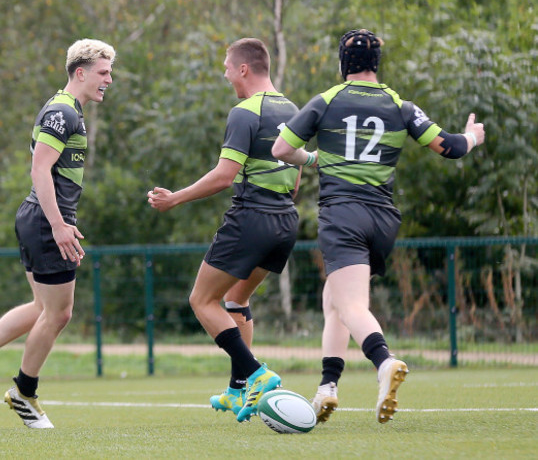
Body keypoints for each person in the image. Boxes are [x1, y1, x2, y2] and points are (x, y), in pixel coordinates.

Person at [272, 28, 485, 424]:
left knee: (351, 304)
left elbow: (281, 149)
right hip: (384, 219)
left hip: (343, 214)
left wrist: (316, 159)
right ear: (376, 64)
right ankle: (327, 387)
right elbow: (452, 148)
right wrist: (472, 136)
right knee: (333, 299)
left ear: (342, 63)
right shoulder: (400, 105)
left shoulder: (327, 100)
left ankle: (383, 361)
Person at [0, 38, 116, 429]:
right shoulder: (62, 112)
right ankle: (24, 392)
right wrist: (59, 225)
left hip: (38, 216)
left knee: (43, 308)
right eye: (103, 72)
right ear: (81, 72)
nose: (109, 79)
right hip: (45, 218)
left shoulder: (69, 109)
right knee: (60, 312)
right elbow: (40, 171)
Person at [147, 38, 306, 422]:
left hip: (252, 219)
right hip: (285, 221)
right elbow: (297, 181)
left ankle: (256, 372)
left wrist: (175, 199)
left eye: (226, 67)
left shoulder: (244, 112)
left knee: (202, 301)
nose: (225, 74)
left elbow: (224, 176)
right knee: (236, 300)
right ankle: (238, 391)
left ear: (244, 69)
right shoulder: (294, 110)